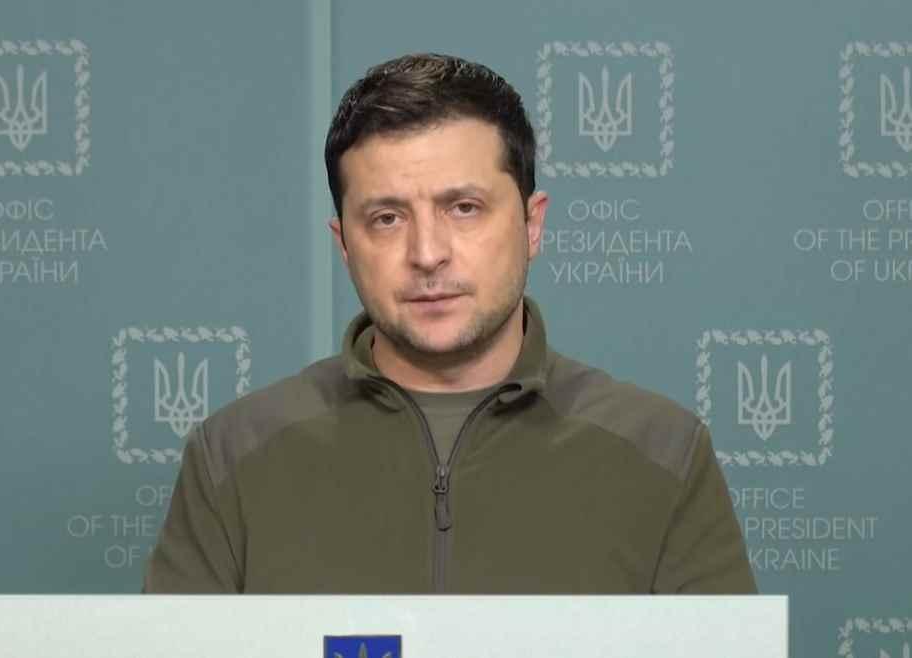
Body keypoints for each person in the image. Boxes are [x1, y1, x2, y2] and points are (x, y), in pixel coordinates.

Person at [143, 53, 756, 594]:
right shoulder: (231, 455)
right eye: (386, 218)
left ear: (532, 225)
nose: (427, 253)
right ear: (344, 244)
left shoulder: (664, 452)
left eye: (464, 208)